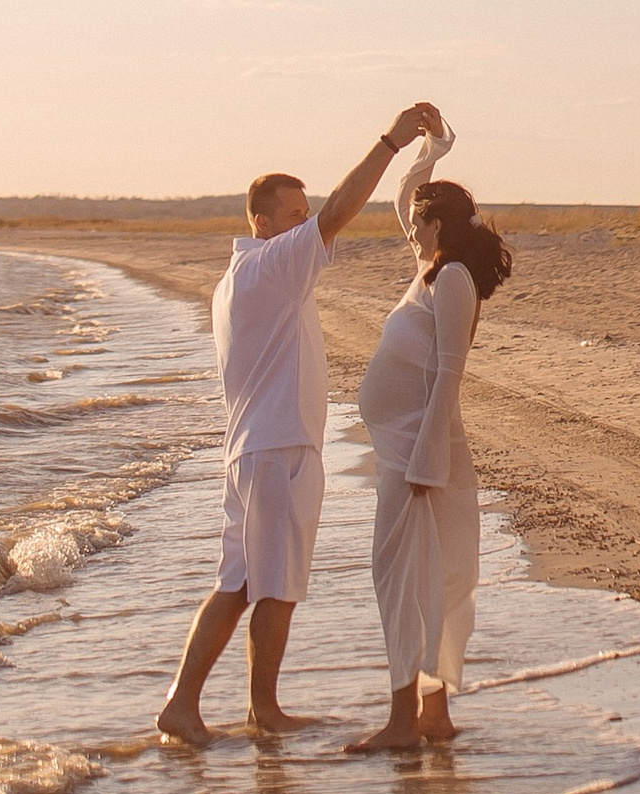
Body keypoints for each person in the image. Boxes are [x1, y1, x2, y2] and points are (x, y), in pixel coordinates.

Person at [155, 102, 446, 745]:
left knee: (239, 583)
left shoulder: (242, 276)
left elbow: (328, 216)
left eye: (301, 216)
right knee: (273, 587)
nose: (304, 227)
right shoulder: (269, 267)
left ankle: (192, 704)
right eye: (292, 215)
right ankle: (255, 709)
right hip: (277, 447)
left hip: (255, 450)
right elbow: (340, 210)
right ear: (260, 221)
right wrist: (392, 143)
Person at [346, 138, 512, 753]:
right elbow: (402, 196)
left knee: (407, 583)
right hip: (403, 450)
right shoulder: (430, 269)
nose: (408, 231)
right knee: (416, 579)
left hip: (419, 455)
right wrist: (431, 147)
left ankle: (400, 724)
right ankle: (431, 716)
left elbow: (449, 374)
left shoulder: (455, 279)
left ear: (436, 222)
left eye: (417, 223)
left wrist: (427, 460)